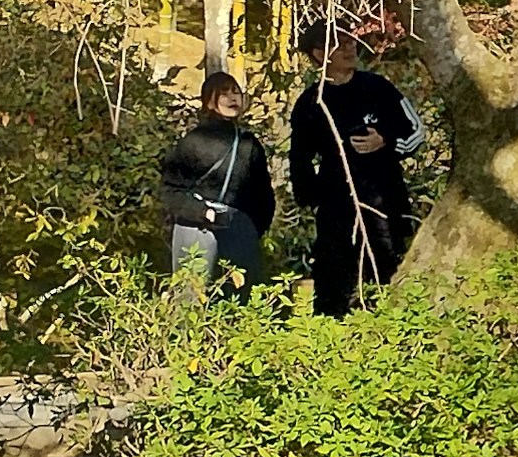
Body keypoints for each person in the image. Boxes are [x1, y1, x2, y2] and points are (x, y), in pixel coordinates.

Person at [286, 19, 420, 315]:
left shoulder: (378, 88)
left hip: (386, 201)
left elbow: (414, 131)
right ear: (320, 54)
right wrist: (312, 199)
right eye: (340, 43)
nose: (350, 48)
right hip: (336, 208)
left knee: (386, 273)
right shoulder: (311, 102)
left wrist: (384, 141)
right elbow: (299, 159)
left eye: (351, 41)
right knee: (333, 282)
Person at [159, 68, 273, 292]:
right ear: (209, 101)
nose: (232, 97)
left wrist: (250, 228)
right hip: (195, 228)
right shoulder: (194, 142)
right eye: (224, 92)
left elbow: (263, 195)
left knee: (239, 299)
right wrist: (201, 212)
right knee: (190, 301)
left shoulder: (249, 144)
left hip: (238, 229)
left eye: (236, 92)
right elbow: (169, 191)